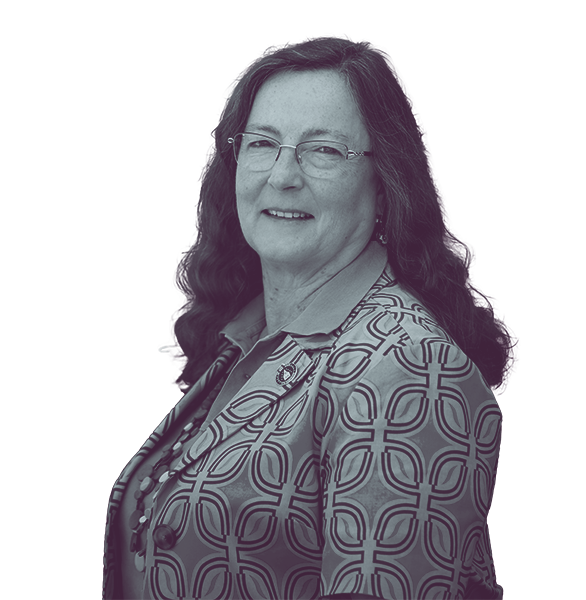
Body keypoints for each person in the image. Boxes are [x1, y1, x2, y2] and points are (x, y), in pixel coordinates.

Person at [104, 37, 505, 600]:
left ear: (384, 183)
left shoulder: (405, 363)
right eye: (262, 144)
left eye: (324, 151)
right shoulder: (244, 341)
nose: (283, 175)